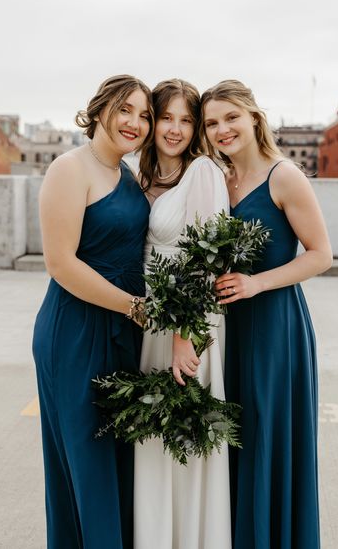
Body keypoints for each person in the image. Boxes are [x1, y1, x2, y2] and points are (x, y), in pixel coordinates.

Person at [201, 80, 333, 549]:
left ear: (254, 116)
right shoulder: (216, 177)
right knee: (231, 439)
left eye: (231, 117)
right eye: (212, 122)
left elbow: (320, 255)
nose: (222, 129)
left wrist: (257, 282)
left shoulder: (284, 176)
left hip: (275, 326)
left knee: (265, 438)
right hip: (226, 329)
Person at [32, 75, 154, 549]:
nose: (136, 122)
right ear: (100, 108)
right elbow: (61, 263)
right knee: (87, 464)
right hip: (77, 330)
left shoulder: (126, 174)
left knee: (117, 458)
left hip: (123, 326)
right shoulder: (69, 168)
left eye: (145, 114)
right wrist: (133, 307)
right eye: (126, 109)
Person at [134, 79, 232, 549]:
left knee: (187, 441)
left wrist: (183, 334)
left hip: (189, 326)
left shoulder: (204, 172)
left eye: (186, 119)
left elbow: (209, 261)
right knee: (154, 440)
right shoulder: (139, 175)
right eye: (166, 117)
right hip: (151, 324)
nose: (174, 129)